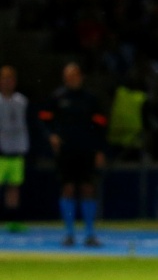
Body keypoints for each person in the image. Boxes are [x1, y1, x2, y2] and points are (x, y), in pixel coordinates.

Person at [39, 62, 107, 246]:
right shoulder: (57, 97)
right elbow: (44, 120)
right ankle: (69, 233)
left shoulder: (90, 99)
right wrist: (51, 136)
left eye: (74, 75)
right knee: (67, 188)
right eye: (68, 76)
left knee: (88, 189)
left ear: (81, 77)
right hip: (66, 151)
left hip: (86, 150)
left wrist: (100, 150)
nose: (71, 79)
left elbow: (100, 126)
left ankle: (90, 233)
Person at [0, 65, 30, 233]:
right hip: (1, 151)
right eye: (4, 79)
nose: (7, 82)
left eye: (10, 79)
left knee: (14, 187)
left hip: (16, 151)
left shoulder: (22, 101)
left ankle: (12, 221)